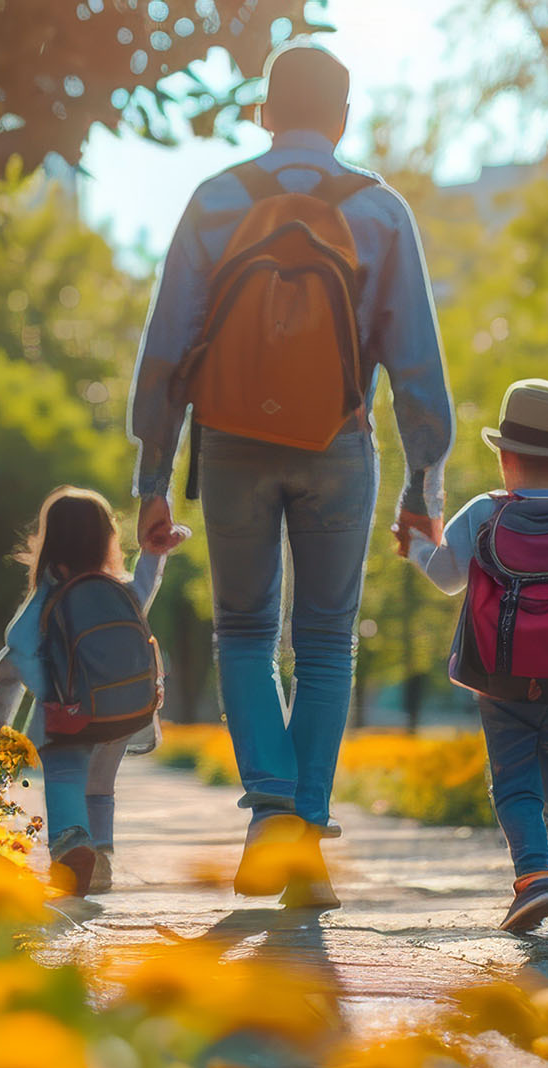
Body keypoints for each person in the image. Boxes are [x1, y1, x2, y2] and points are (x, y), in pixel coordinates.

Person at [128, 43, 455, 906]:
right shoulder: (379, 210)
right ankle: (303, 830)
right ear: (343, 120)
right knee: (325, 640)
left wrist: (152, 474)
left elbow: (166, 348)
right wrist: (426, 484)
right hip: (339, 446)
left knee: (243, 631)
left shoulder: (215, 200)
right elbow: (415, 358)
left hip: (228, 441)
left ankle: (270, 808)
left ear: (266, 113)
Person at [403, 380, 548, 935]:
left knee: (513, 784)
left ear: (504, 459)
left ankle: (534, 880)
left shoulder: (483, 513)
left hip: (500, 681)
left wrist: (414, 546)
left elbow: (448, 578)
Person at [0, 487, 180, 896]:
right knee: (101, 786)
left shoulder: (51, 592)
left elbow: (19, 643)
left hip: (70, 714)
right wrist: (155, 553)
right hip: (123, 711)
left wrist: (30, 702)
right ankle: (101, 860)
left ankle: (72, 845)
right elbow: (144, 590)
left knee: (65, 773)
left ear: (50, 539)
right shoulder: (118, 590)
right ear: (107, 536)